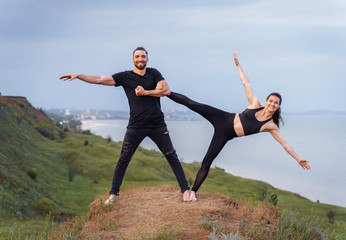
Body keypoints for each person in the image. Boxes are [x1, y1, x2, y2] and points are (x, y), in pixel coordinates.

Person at [166, 52, 310, 202]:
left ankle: (193, 192)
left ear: (278, 106)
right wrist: (238, 65)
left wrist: (298, 158)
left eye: (276, 103)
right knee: (193, 104)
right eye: (271, 101)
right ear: (267, 101)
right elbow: (246, 83)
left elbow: (284, 144)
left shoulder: (270, 125)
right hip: (222, 117)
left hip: (224, 134)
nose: (272, 104)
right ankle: (165, 93)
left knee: (207, 162)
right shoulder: (255, 104)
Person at [59, 47, 190, 204]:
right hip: (136, 125)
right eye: (137, 57)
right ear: (133, 59)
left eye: (143, 57)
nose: (140, 59)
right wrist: (79, 76)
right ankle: (113, 194)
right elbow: (99, 79)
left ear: (147, 59)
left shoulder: (154, 73)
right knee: (123, 159)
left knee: (171, 155)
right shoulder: (125, 77)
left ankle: (185, 190)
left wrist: (145, 93)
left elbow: (166, 90)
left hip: (157, 124)